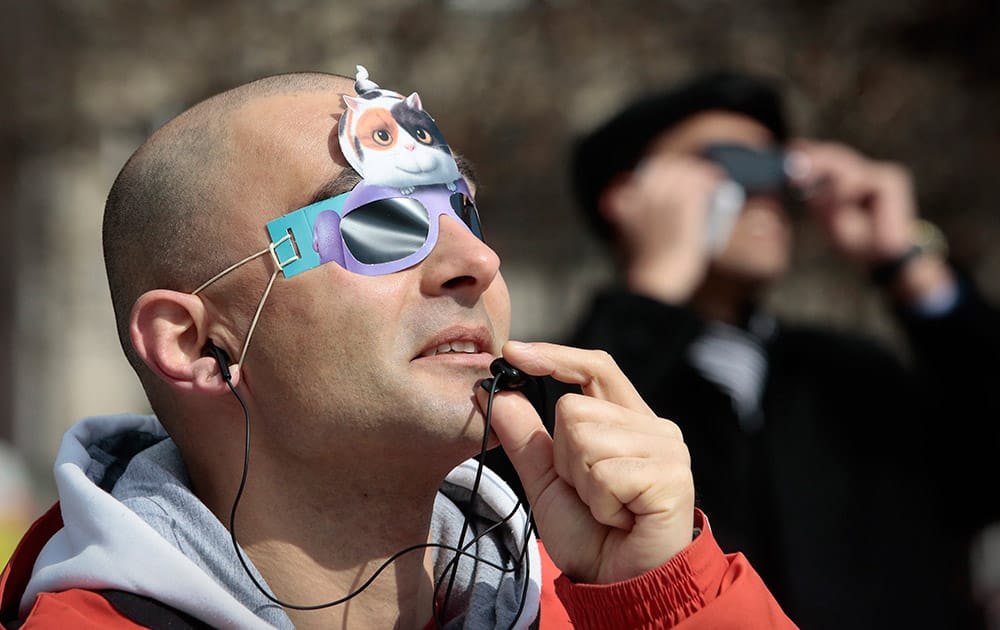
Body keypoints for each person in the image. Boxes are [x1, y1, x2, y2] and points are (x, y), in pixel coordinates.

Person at [0, 67, 795, 629]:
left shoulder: (596, 595)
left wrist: (658, 601)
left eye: (463, 212)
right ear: (199, 344)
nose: (476, 264)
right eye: (378, 224)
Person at [564, 69, 1000, 629]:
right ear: (627, 195)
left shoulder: (857, 375)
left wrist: (909, 265)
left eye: (777, 168)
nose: (767, 189)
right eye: (731, 164)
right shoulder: (575, 372)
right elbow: (539, 478)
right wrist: (655, 284)